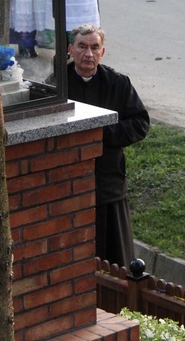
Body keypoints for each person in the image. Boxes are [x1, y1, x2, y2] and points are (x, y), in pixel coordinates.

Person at [67, 24, 150, 267]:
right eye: (82, 47)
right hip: (70, 185)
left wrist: (101, 132)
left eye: (94, 47)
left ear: (103, 53)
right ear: (71, 50)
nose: (88, 54)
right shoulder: (56, 84)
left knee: (115, 262)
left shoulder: (119, 84)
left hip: (109, 185)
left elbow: (140, 123)